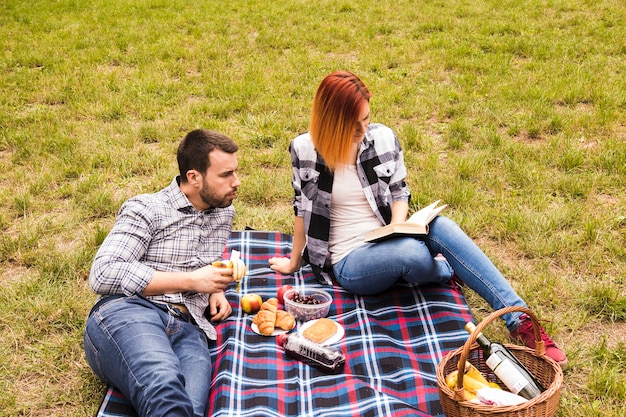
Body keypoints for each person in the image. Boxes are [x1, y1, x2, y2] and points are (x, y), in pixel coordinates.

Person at [268, 71, 567, 369]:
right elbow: (301, 209)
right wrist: (294, 261)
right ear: (331, 123)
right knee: (412, 254)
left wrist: (395, 229)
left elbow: (400, 193)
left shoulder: (382, 138)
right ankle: (444, 269)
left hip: (386, 238)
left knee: (442, 226)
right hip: (348, 260)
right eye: (353, 125)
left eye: (366, 119)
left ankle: (520, 320)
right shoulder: (304, 149)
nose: (363, 129)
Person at [84, 129, 241, 417]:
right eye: (226, 175)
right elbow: (103, 273)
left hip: (190, 328)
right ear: (194, 177)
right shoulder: (147, 208)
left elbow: (203, 261)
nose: (237, 182)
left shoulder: (223, 213)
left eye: (236, 172)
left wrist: (215, 287)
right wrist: (193, 281)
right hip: (129, 312)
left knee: (189, 409)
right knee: (164, 385)